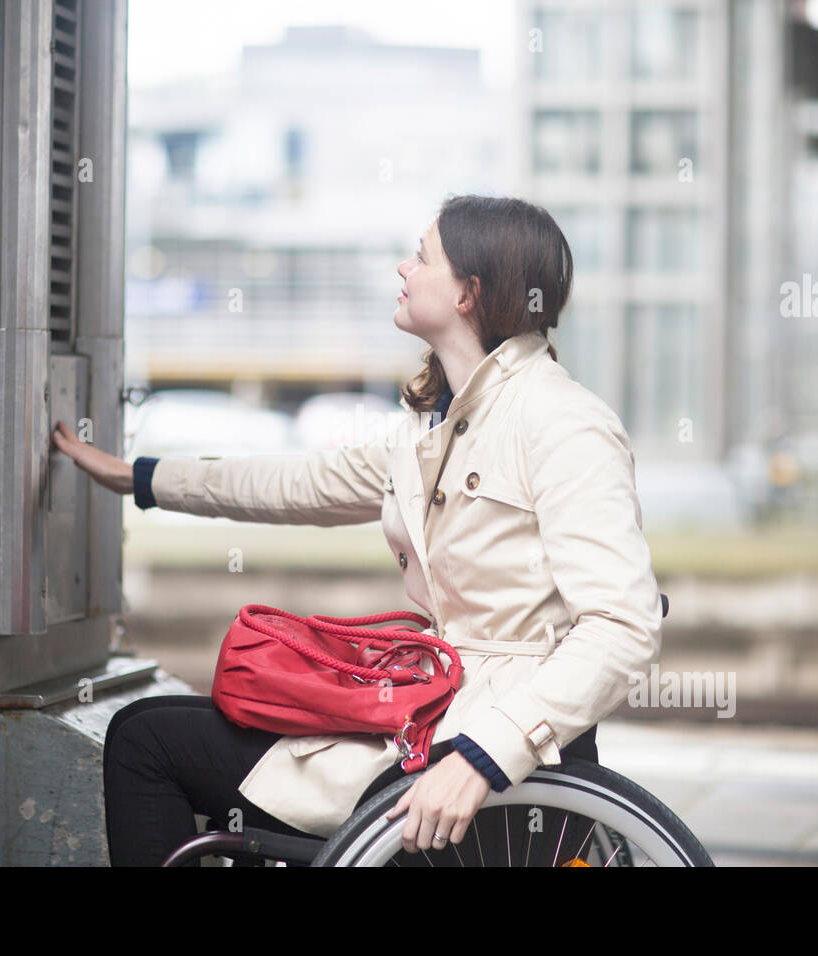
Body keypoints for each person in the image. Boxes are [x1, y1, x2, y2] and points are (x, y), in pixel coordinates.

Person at [52, 194, 664, 866]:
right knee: (143, 728)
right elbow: (298, 484)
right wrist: (140, 478)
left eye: (422, 255)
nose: (404, 268)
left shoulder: (562, 421)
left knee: (149, 745)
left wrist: (488, 756)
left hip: (486, 755)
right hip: (431, 716)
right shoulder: (433, 427)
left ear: (470, 291)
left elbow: (622, 625)